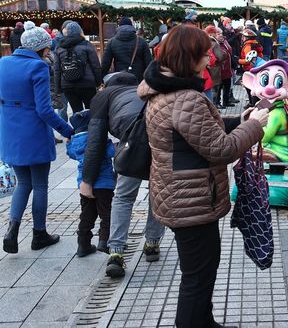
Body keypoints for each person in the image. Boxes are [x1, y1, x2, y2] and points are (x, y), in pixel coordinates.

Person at [137, 24, 269, 327]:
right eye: (205, 53)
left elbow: (197, 131)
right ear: (189, 56)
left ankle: (204, 322)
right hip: (190, 200)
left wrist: (238, 119)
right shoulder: (186, 98)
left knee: (201, 270)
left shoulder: (166, 91)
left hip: (179, 195)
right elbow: (221, 150)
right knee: (197, 277)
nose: (210, 58)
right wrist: (254, 125)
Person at [81, 71, 165, 278]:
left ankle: (116, 253)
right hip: (160, 136)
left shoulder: (103, 96)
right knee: (157, 192)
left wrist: (87, 180)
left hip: (133, 142)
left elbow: (95, 142)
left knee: (124, 197)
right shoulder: (144, 92)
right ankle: (152, 244)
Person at [1, 22, 74, 254]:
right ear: (41, 48)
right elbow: (44, 110)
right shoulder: (38, 67)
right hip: (33, 132)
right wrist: (68, 130)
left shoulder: (3, 63)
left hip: (11, 132)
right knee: (40, 184)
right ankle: (39, 234)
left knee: (23, 183)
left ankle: (11, 231)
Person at [66, 110, 115, 257]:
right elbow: (111, 152)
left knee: (87, 214)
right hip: (104, 185)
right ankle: (104, 241)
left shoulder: (75, 143)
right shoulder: (98, 140)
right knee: (106, 214)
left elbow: (71, 154)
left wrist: (69, 144)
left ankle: (83, 244)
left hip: (84, 185)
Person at [53, 21, 102, 113]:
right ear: (80, 32)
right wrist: (99, 82)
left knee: (77, 113)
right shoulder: (87, 45)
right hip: (87, 83)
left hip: (67, 85)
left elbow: (57, 70)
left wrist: (58, 88)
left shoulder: (59, 47)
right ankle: (90, 127)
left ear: (66, 32)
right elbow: (95, 65)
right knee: (91, 110)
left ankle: (79, 127)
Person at [101, 17, 152, 82]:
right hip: (138, 78)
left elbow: (105, 64)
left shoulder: (111, 42)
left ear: (119, 27)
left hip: (120, 78)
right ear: (131, 26)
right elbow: (149, 63)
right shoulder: (142, 41)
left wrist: (101, 79)